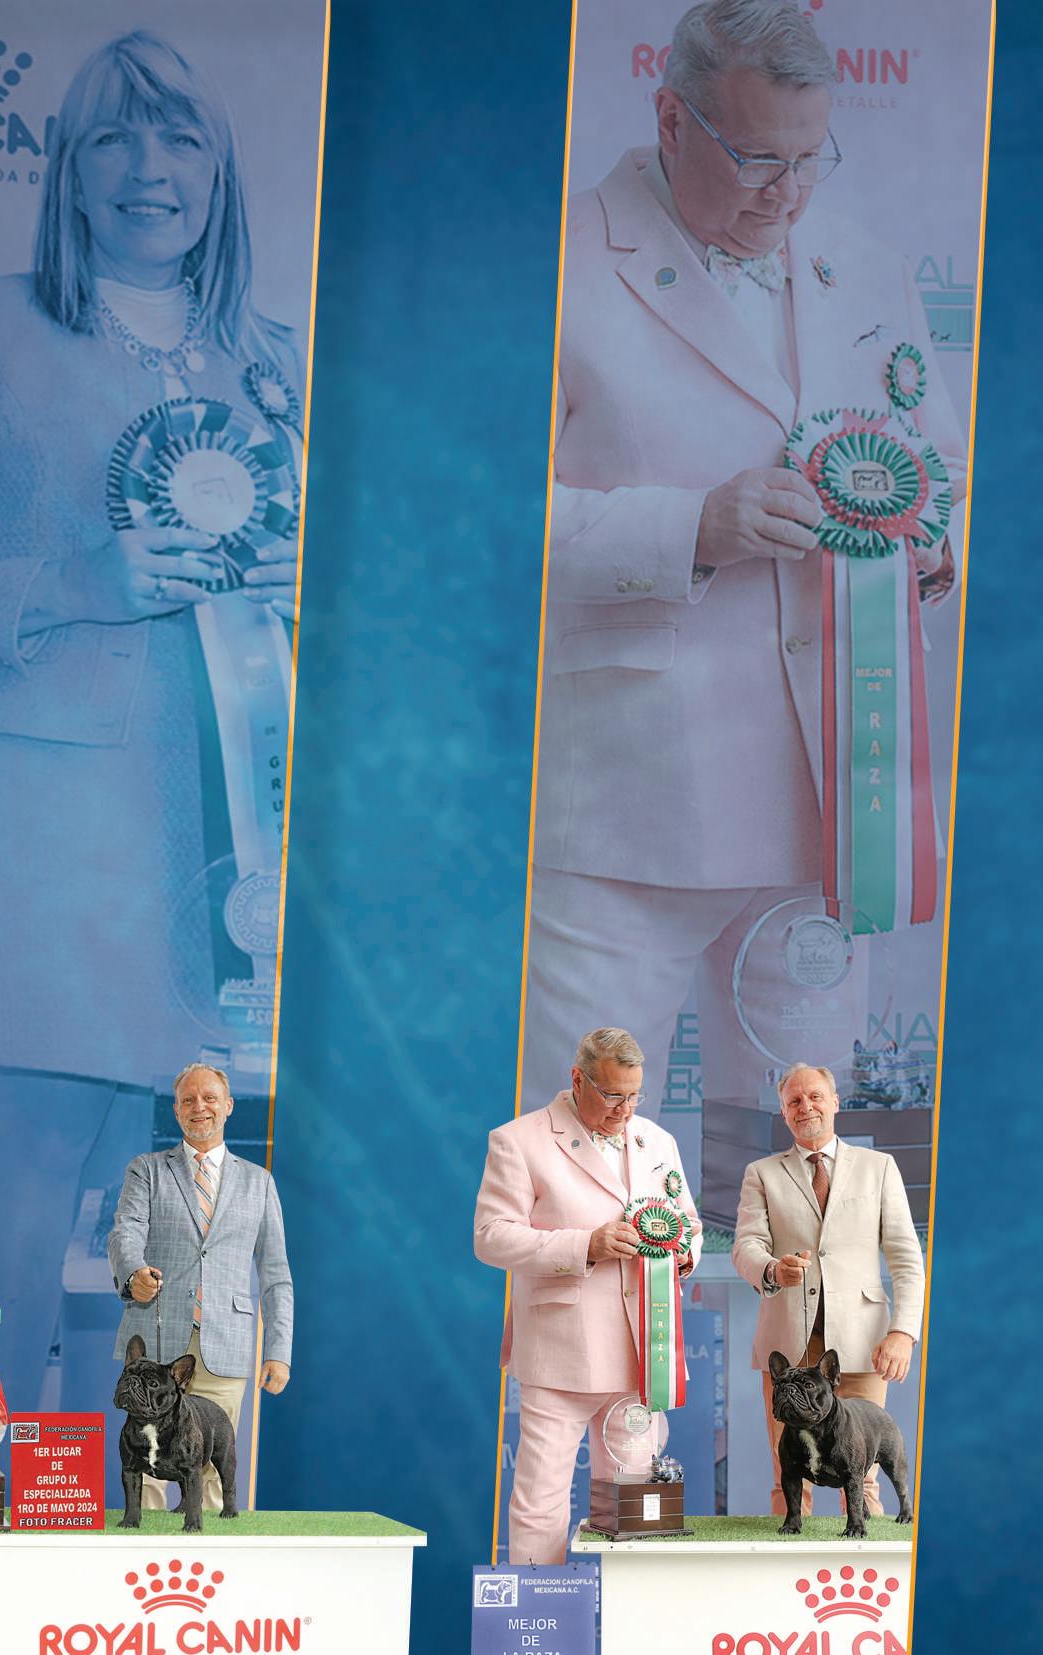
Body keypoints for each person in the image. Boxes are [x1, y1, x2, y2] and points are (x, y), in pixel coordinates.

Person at [0, 29, 305, 1415]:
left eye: (179, 137)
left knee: (155, 1154)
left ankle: (99, 1472)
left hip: (219, 816)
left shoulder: (270, 358)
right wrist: (78, 581)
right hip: (47, 805)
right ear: (64, 168)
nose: (148, 168)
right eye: (114, 136)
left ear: (220, 173)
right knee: (52, 1125)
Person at [521, 0, 966, 1122]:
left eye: (810, 159)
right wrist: (689, 528)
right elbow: (473, 523)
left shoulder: (867, 266)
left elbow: (935, 463)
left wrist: (927, 543)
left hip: (832, 801)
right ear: (671, 119)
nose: (788, 192)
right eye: (760, 158)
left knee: (799, 1162)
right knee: (582, 1152)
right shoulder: (555, 261)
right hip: (628, 806)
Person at [474, 1028, 702, 1564]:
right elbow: (491, 1236)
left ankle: (634, 1610)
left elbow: (688, 1224)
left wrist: (681, 1253)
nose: (626, 1109)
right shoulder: (519, 1140)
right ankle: (538, 1610)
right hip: (561, 1352)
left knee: (635, 1499)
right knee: (541, 1501)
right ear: (578, 1080)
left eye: (635, 1095)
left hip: (643, 1351)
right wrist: (585, 1245)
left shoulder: (658, 1141)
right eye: (613, 1095)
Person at [732, 1061, 923, 1516]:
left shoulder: (879, 1167)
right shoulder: (761, 1172)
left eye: (815, 1096)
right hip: (788, 1345)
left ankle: (863, 1557)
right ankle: (786, 1552)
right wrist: (772, 1269)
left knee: (864, 1475)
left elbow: (906, 1258)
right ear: (783, 1112)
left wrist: (903, 1332)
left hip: (864, 1340)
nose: (806, 1107)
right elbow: (745, 1247)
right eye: (794, 1101)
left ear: (836, 1102)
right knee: (787, 1473)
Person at [108, 1062, 292, 1510]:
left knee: (212, 1470)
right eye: (188, 1099)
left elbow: (275, 1273)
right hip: (154, 1343)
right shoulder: (146, 1170)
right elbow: (125, 1232)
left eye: (209, 1098)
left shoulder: (260, 1182)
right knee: (145, 1466)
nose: (199, 1107)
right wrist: (133, 1274)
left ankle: (205, 1553)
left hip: (226, 1345)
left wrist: (278, 1350)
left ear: (228, 1106)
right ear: (176, 1110)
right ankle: (145, 1550)